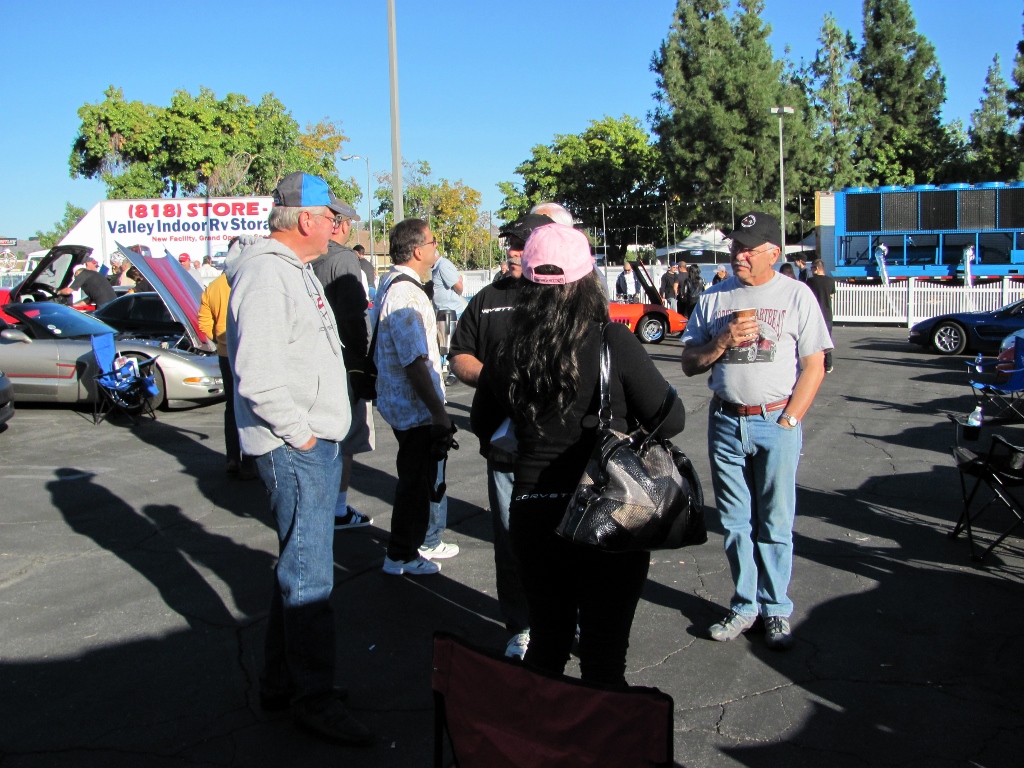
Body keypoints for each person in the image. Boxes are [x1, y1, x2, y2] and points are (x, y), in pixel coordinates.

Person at [471, 223, 685, 687]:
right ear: (589, 280)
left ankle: (543, 744)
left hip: (532, 511)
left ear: (527, 282)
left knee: (547, 644)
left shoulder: (508, 347)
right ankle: (601, 749)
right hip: (609, 508)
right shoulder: (613, 342)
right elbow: (672, 420)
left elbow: (484, 427)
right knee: (604, 656)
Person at [226, 171, 373, 746]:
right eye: (331, 216)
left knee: (296, 566)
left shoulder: (289, 270)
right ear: (307, 219)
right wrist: (303, 437)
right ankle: (313, 698)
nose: (338, 225)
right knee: (310, 578)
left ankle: (282, 683)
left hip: (306, 444)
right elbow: (258, 378)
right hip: (296, 447)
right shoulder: (267, 275)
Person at [680, 211, 831, 652]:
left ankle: (776, 608)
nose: (738, 254)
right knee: (734, 522)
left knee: (776, 521)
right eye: (735, 246)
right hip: (726, 420)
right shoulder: (714, 298)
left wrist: (790, 419)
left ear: (773, 253)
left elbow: (814, 365)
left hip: (775, 420)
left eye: (748, 248)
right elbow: (689, 363)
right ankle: (745, 604)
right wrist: (722, 342)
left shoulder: (796, 295)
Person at [449, 212, 554, 659]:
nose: (510, 251)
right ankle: (521, 625)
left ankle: (567, 619)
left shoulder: (560, 295)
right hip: (505, 444)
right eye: (508, 243)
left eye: (519, 244)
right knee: (511, 539)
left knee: (565, 538)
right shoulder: (487, 299)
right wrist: (494, 377)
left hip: (559, 445)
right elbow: (459, 355)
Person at [375, 218, 452, 576]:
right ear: (419, 250)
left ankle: (408, 546)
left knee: (416, 481)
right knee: (414, 486)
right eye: (433, 243)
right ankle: (402, 553)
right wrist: (439, 414)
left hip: (404, 406)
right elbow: (415, 362)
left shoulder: (391, 283)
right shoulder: (405, 293)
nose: (437, 249)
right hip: (414, 410)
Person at [309, 197, 376, 532]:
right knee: (344, 441)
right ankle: (336, 509)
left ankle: (322, 506)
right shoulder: (343, 258)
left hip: (313, 361)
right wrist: (363, 364)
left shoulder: (307, 257)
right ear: (342, 224)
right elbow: (354, 315)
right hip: (343, 362)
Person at [198, 261, 256, 480]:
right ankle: (250, 461)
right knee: (249, 405)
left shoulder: (213, 286)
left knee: (231, 407)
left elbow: (203, 322)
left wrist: (218, 340)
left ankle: (232, 457)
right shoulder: (247, 280)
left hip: (225, 353)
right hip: (247, 351)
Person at [806, 259, 837, 373]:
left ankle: (815, 365)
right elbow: (832, 295)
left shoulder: (810, 281)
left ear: (817, 268)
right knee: (826, 340)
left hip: (815, 314)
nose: (811, 270)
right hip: (827, 313)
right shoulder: (830, 281)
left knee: (813, 340)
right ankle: (828, 365)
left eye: (812, 268)